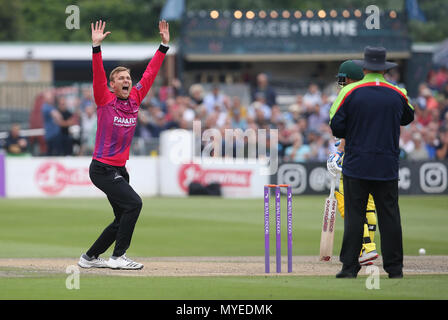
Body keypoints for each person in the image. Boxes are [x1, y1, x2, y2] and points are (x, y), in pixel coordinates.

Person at [78, 20, 170, 270]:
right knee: (135, 204)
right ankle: (118, 257)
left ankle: (89, 258)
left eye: (128, 77)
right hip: (102, 169)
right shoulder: (104, 98)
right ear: (113, 85)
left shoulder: (137, 97)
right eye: (121, 78)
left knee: (122, 216)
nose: (126, 81)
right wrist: (96, 48)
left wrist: (163, 45)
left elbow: (150, 72)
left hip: (120, 169)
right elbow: (98, 74)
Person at [329, 47, 414, 279]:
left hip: (357, 163)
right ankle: (395, 269)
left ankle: (349, 268)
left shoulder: (349, 92)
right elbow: (408, 117)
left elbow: (336, 125)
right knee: (390, 216)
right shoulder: (397, 92)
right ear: (384, 69)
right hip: (386, 164)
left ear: (364, 68)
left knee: (355, 216)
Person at [327, 60, 379, 267]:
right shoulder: (379, 94)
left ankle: (366, 248)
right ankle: (366, 249)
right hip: (379, 158)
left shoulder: (351, 95)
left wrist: (340, 151)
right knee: (369, 205)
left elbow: (348, 126)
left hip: (356, 158)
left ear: (349, 78)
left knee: (348, 204)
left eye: (343, 78)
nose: (341, 83)